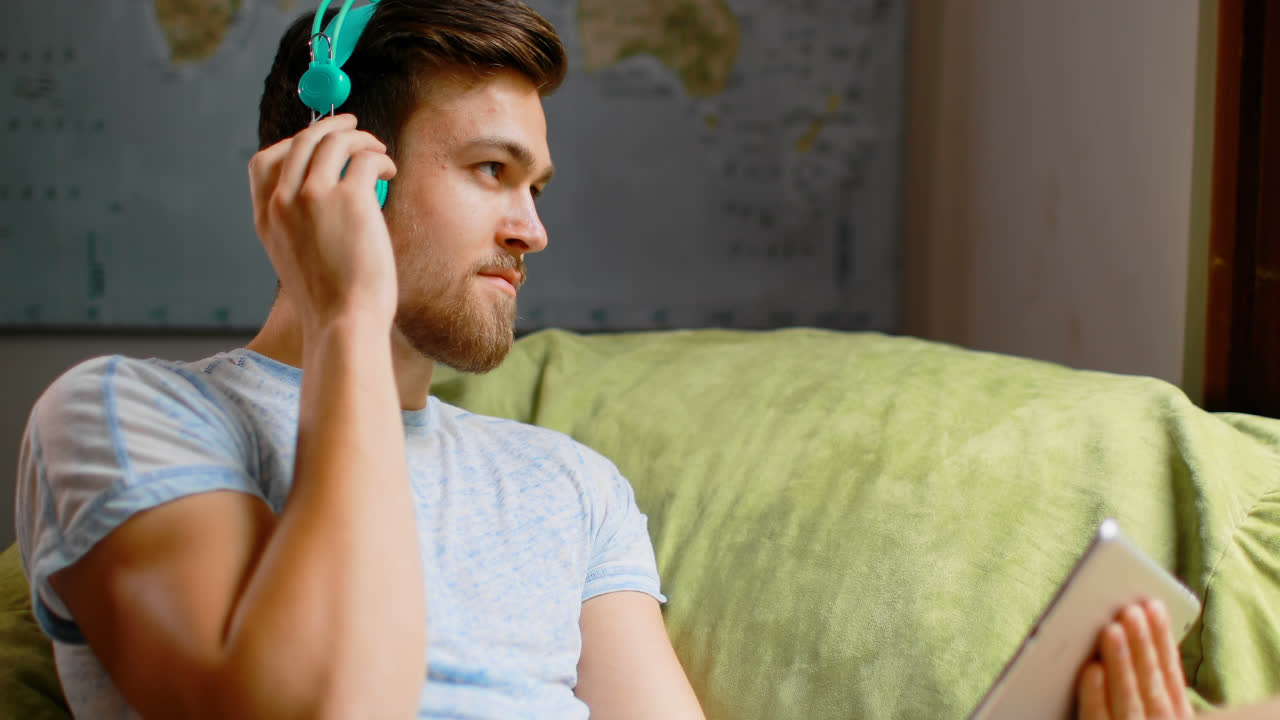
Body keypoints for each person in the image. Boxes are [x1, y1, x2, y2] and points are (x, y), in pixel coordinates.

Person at [9, 1, 1274, 718]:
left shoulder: (565, 485)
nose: (533, 227)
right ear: (344, 171)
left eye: (538, 182)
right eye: (492, 173)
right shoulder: (128, 416)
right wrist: (342, 317)